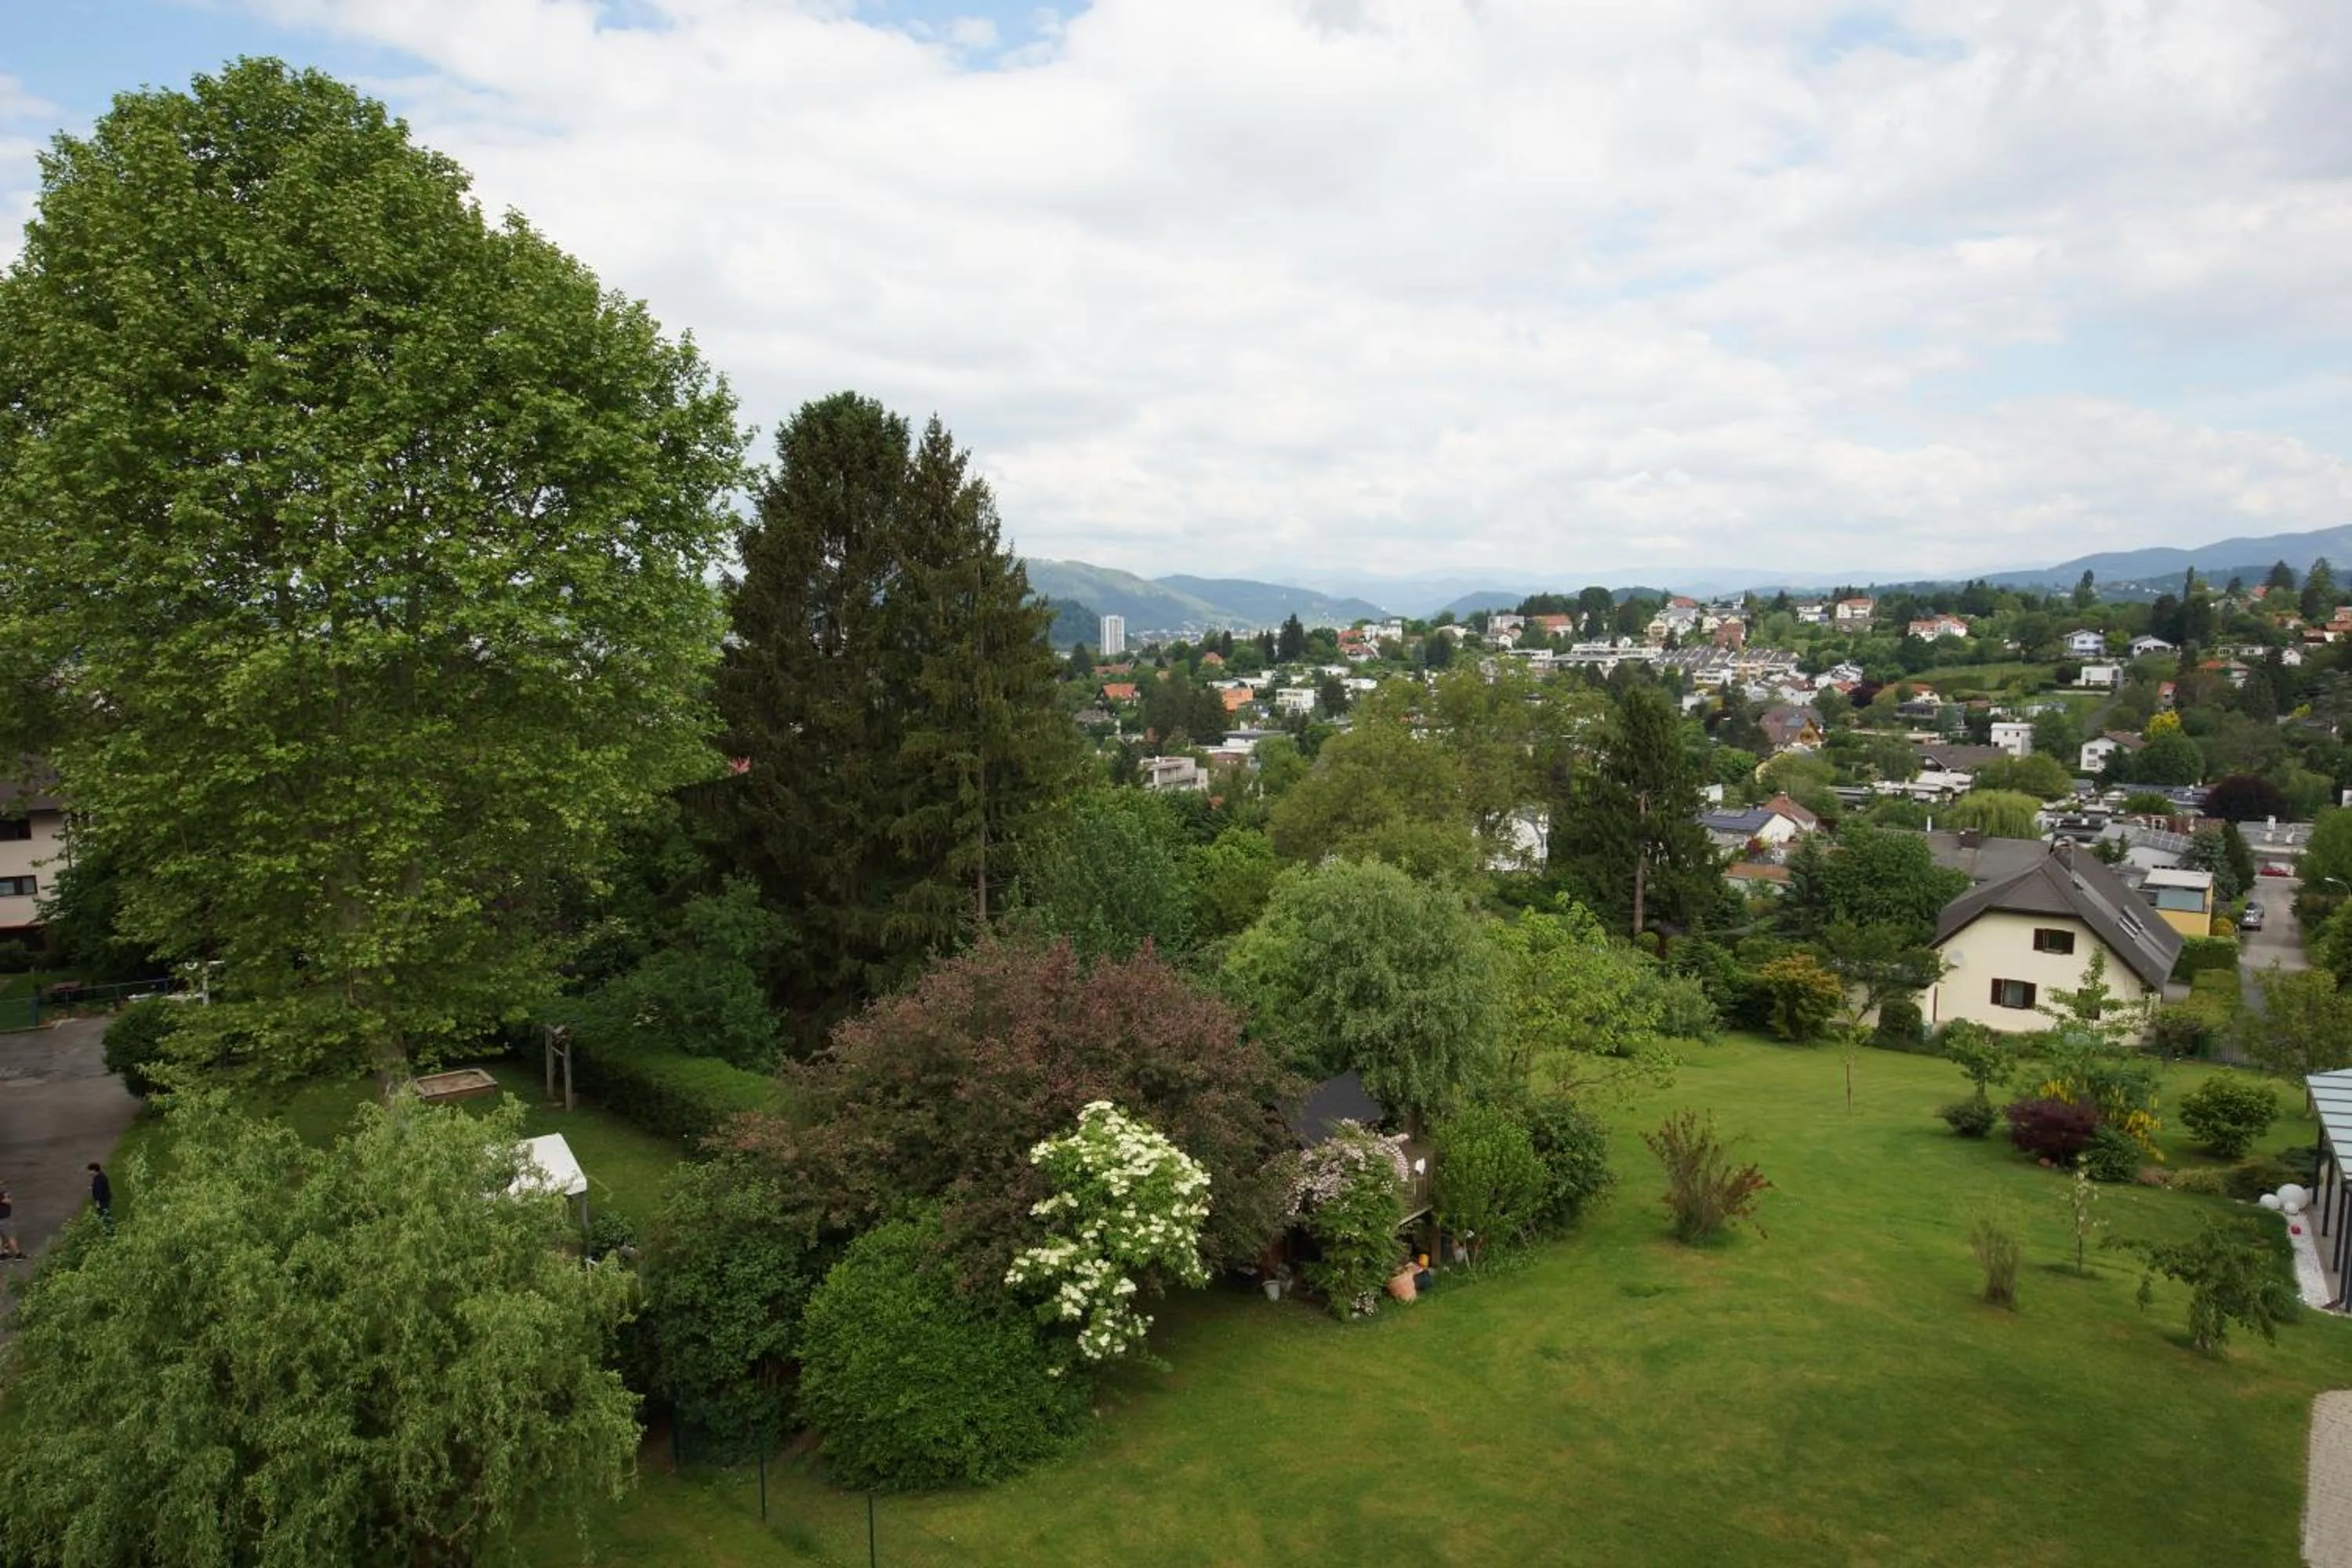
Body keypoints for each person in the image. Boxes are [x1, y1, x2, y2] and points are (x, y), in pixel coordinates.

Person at [87, 1162, 112, 1234]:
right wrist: (92, 1187)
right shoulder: (100, 1176)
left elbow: (99, 1191)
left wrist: (98, 1202)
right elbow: (96, 1185)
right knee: (105, 1214)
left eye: (90, 1171)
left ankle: (108, 1230)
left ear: (94, 1170)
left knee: (104, 1214)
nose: (89, 1173)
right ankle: (107, 1229)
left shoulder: (99, 1179)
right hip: (106, 1198)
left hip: (103, 1200)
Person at [0, 1182, 22, 1258]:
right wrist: (7, 1196)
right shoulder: (2, 1196)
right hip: (4, 1219)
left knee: (2, 1238)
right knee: (11, 1237)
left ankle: (2, 1254)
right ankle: (18, 1254)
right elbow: (8, 1201)